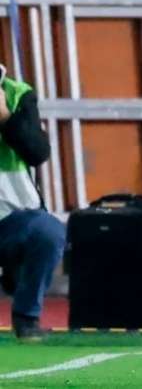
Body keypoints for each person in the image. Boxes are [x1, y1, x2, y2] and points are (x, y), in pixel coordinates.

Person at [0, 64, 65, 341]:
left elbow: (38, 152)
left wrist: (5, 117)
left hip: (11, 220)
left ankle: (27, 316)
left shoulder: (17, 94)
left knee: (48, 232)